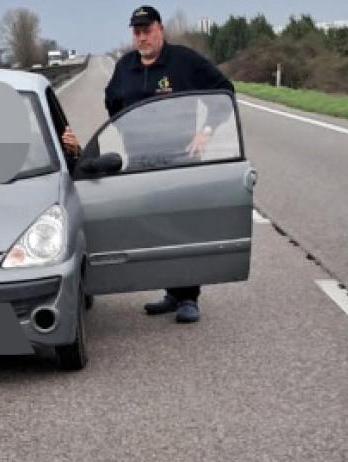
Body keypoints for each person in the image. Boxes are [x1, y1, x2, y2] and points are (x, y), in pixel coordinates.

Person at [105, 5, 235, 323]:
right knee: (155, 230)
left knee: (183, 229)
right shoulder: (125, 67)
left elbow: (225, 92)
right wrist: (125, 131)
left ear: (160, 29)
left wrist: (206, 132)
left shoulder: (184, 61)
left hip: (181, 161)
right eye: (137, 31)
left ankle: (189, 297)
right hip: (142, 163)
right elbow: (111, 101)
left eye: (147, 30)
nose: (142, 37)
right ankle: (171, 293)